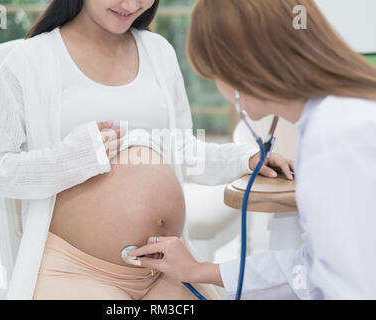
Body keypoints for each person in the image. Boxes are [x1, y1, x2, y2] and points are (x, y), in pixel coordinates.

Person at [0, 0, 293, 299]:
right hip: (77, 270)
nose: (130, 5)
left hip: (166, 268)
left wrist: (245, 159)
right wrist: (70, 160)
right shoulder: (31, 61)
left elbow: (181, 148)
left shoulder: (158, 52)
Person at [128, 0, 376, 299]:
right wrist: (199, 270)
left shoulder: (338, 135)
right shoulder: (335, 119)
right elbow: (313, 267)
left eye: (213, 74)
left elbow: (352, 286)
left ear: (240, 69)